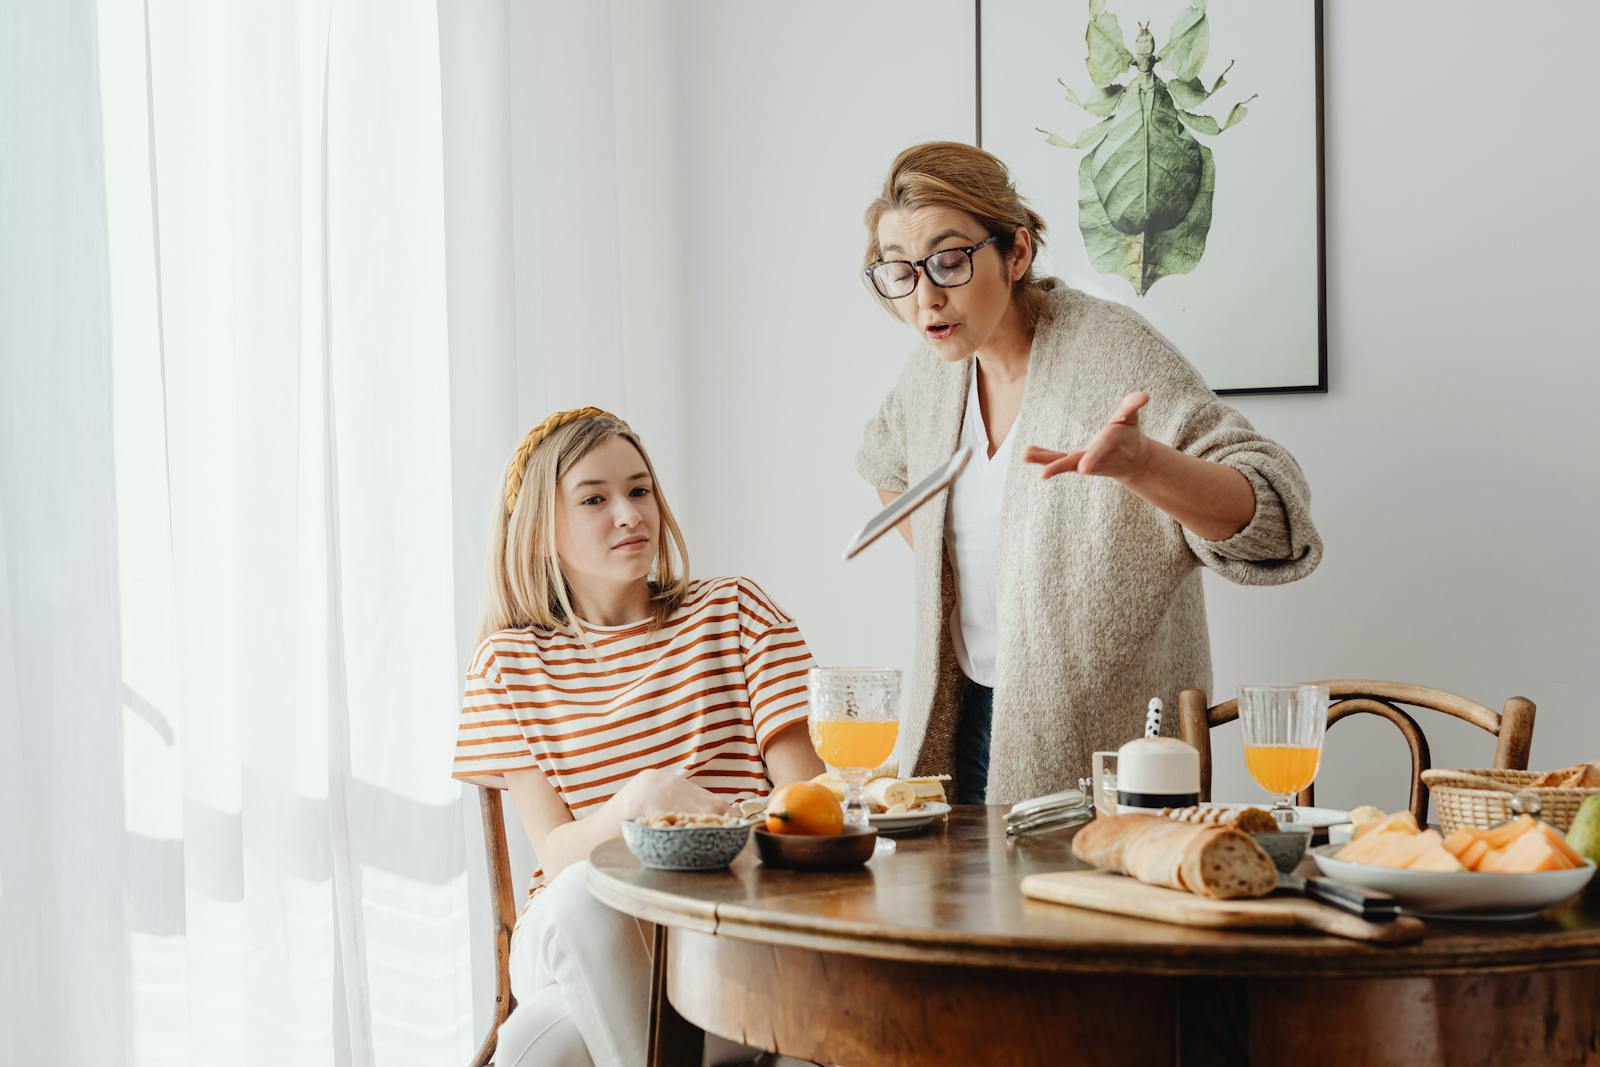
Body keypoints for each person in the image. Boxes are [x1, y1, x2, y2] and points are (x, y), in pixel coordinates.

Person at [855, 142, 1323, 807]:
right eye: (899, 270)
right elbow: (884, 463)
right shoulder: (933, 375)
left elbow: (1278, 520)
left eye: (950, 260)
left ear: (1016, 253)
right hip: (959, 724)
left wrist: (1147, 465)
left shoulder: (1110, 353)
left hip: (1108, 750)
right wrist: (953, 564)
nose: (925, 297)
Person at [453, 407, 824, 1066]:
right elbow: (559, 849)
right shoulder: (507, 663)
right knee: (580, 894)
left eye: (639, 489)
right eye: (595, 498)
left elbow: (807, 801)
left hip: (721, 919)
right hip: (578, 926)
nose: (629, 513)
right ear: (540, 532)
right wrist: (637, 801)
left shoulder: (734, 611)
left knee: (537, 1051)